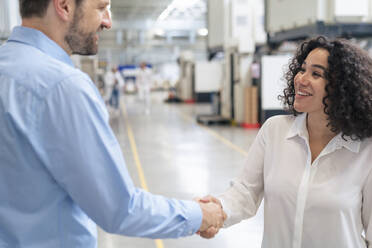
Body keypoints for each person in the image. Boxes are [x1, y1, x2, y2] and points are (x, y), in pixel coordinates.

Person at [0, 0, 226, 247]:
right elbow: (119, 208)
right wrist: (200, 215)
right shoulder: (64, 87)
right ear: (64, 6)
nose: (107, 21)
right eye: (100, 7)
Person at [198, 36, 372, 246]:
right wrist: (217, 211)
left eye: (316, 74)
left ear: (342, 88)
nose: (301, 79)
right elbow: (245, 192)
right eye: (302, 69)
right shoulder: (275, 131)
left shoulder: (365, 150)